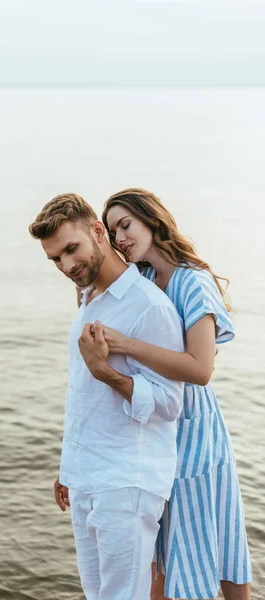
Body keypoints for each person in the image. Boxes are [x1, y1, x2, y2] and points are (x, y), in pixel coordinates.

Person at [96, 188, 252, 600]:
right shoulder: (143, 280)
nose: (121, 238)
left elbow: (200, 369)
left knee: (218, 541)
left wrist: (126, 345)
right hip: (154, 428)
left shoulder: (192, 281)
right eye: (113, 232)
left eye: (125, 224)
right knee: (160, 551)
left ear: (152, 219)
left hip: (196, 433)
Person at [29, 193, 185, 600]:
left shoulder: (149, 306)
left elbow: (171, 404)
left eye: (71, 249)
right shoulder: (86, 302)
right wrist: (69, 466)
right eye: (55, 259)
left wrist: (106, 373)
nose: (66, 266)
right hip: (86, 479)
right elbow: (81, 396)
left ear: (99, 232)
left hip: (127, 482)